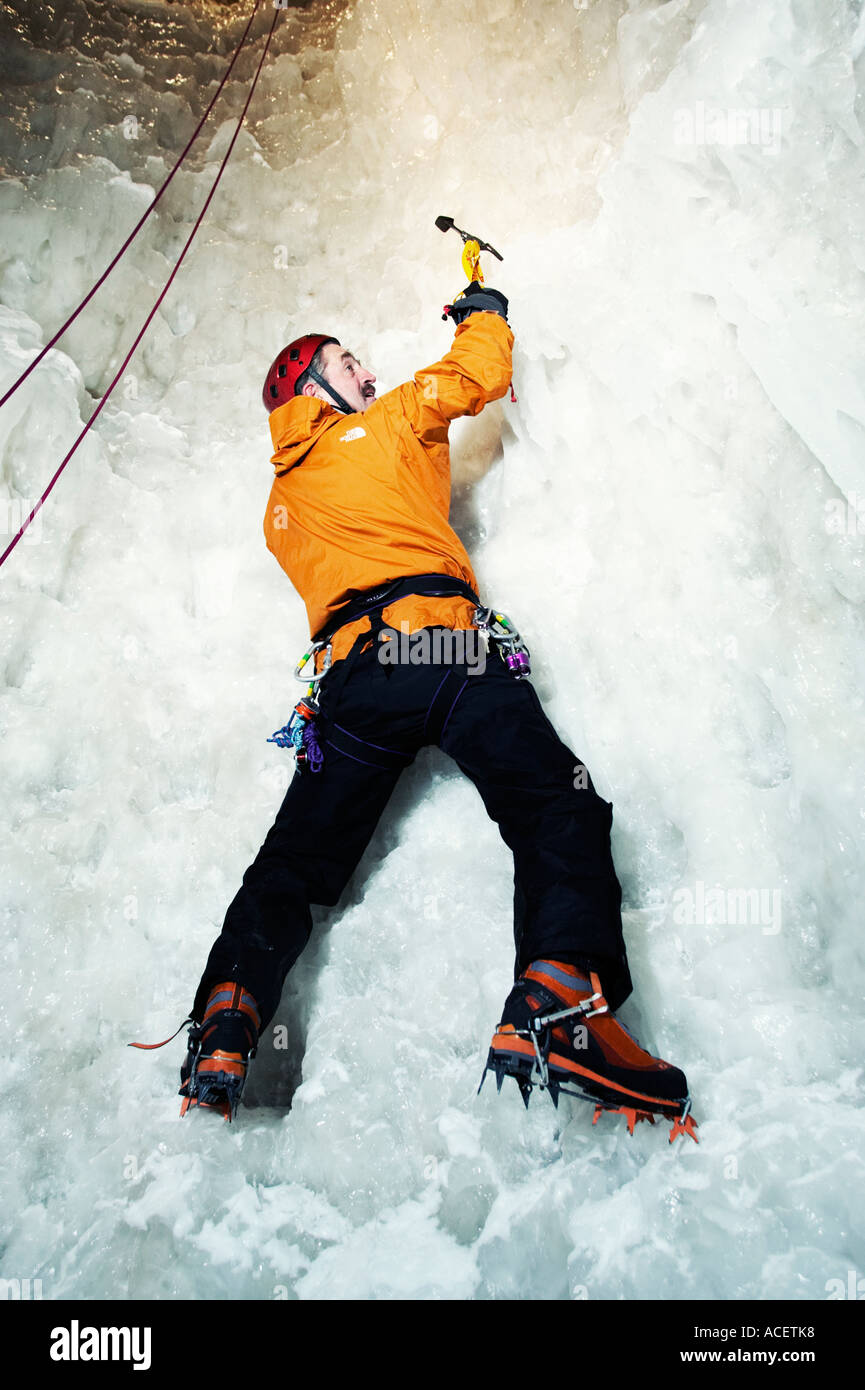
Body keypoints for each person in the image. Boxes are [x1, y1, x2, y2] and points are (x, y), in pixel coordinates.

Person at [179, 284, 696, 1142]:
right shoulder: (386, 423)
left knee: (292, 867)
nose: (369, 371)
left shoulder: (280, 506)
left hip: (347, 685)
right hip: (441, 647)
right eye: (349, 364)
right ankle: (561, 997)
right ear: (314, 385)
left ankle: (226, 1023)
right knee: (553, 803)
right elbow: (473, 376)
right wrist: (480, 312)